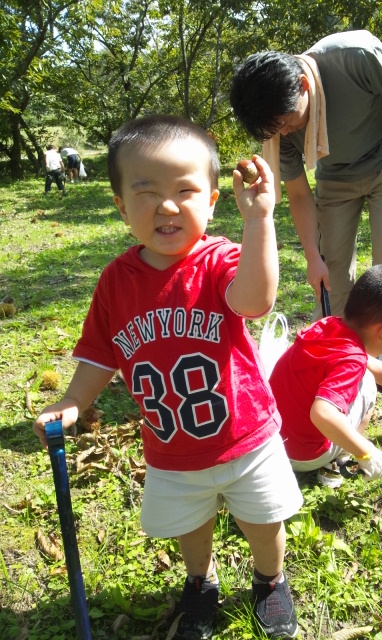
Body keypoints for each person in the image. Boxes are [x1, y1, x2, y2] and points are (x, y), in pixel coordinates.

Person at [33, 115, 303, 640]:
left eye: (185, 190)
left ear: (213, 201)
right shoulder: (115, 282)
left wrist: (259, 221)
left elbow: (255, 300)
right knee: (189, 526)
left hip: (245, 436)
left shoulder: (220, 260)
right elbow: (100, 353)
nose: (167, 206)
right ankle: (201, 582)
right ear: (121, 206)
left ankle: (270, 579)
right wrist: (72, 400)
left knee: (263, 521)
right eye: (147, 192)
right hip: (171, 446)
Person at [230, 30, 382, 376]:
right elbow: (299, 193)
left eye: (286, 122)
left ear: (303, 85)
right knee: (332, 269)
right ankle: (337, 347)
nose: (285, 132)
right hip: (335, 175)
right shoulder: (277, 130)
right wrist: (313, 258)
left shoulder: (354, 56)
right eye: (276, 128)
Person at [269, 265, 382, 488]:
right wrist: (365, 451)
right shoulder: (352, 359)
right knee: (368, 385)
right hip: (305, 456)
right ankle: (338, 459)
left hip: (271, 444)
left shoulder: (328, 325)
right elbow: (322, 413)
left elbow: (367, 362)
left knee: (363, 375)